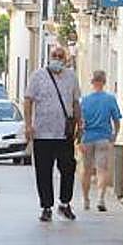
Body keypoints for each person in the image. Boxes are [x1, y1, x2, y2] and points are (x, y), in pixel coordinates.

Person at [24, 46, 84, 221]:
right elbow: (28, 100)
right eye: (54, 55)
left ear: (66, 59)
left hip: (64, 133)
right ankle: (46, 206)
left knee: (68, 168)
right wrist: (28, 125)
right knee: (43, 171)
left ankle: (65, 203)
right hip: (42, 133)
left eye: (60, 56)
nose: (57, 58)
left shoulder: (71, 77)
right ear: (49, 57)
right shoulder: (38, 76)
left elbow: (76, 103)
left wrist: (80, 125)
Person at [79, 70, 122, 212]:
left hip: (87, 138)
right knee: (102, 170)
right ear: (104, 82)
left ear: (92, 82)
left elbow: (80, 122)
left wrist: (79, 139)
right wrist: (114, 136)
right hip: (103, 138)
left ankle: (86, 200)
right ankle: (101, 199)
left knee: (86, 170)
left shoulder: (84, 100)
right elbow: (116, 120)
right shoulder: (110, 99)